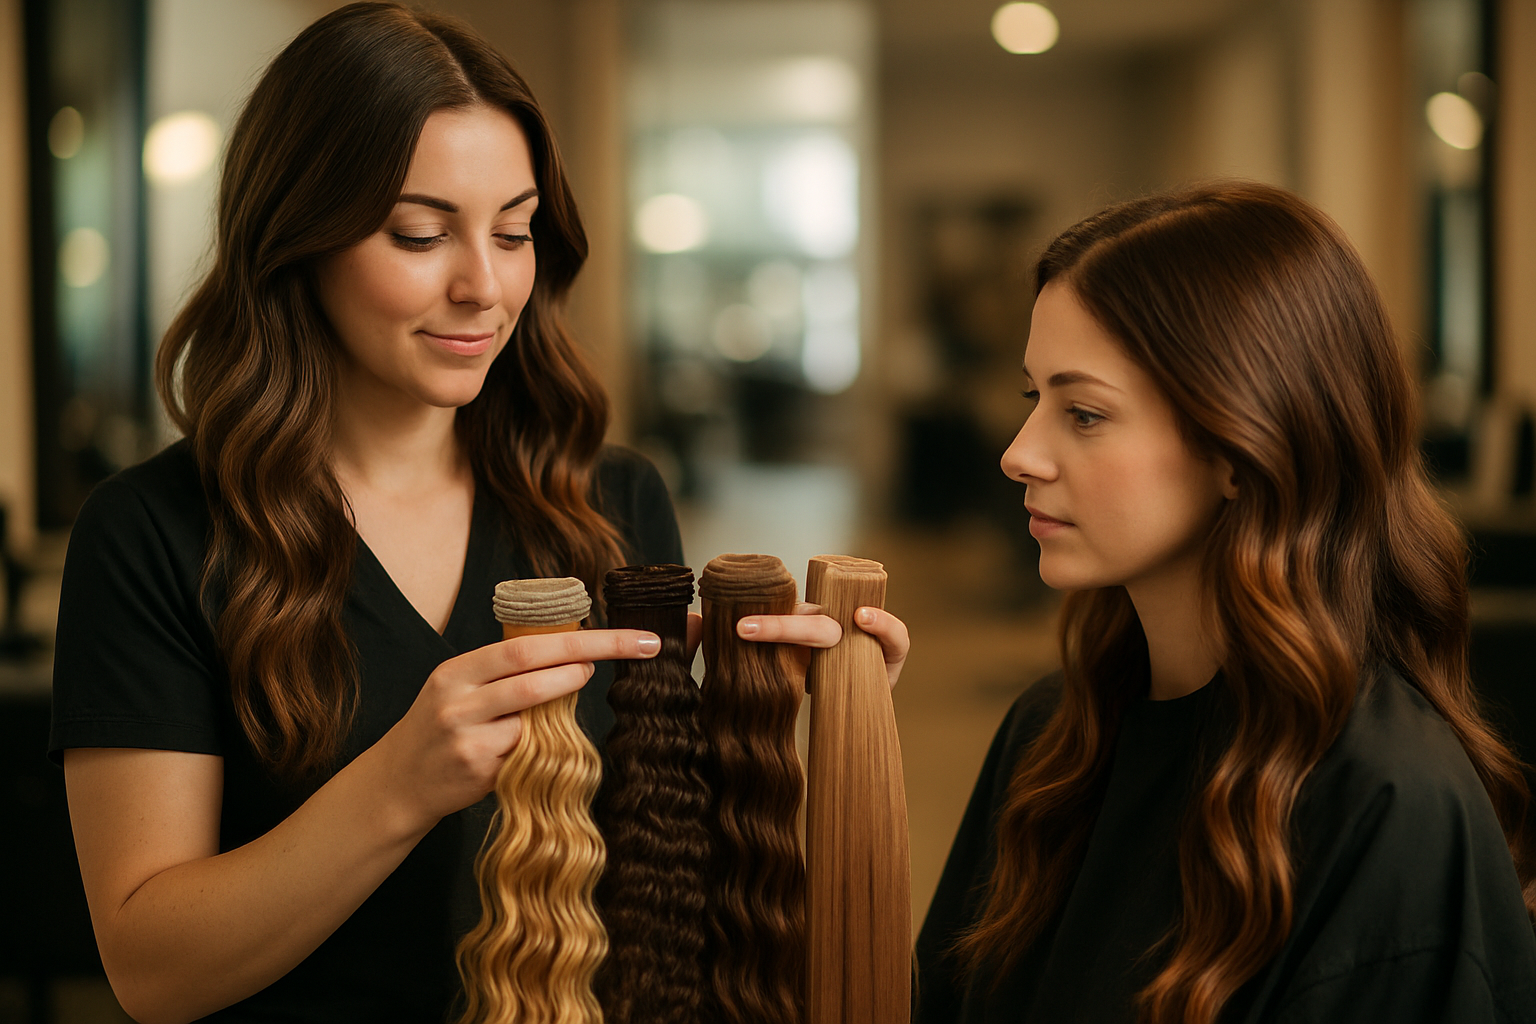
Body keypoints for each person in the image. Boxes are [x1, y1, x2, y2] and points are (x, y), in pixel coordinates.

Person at [48, 5, 908, 1022]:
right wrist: (402, 781)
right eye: (420, 234)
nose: (485, 285)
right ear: (297, 238)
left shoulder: (610, 500)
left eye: (514, 230)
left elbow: (654, 880)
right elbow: (152, 968)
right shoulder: (153, 533)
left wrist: (770, 713)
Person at [915, 182, 1536, 1024]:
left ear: (1243, 447)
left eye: (1085, 413)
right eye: (1035, 400)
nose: (1019, 455)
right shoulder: (1050, 737)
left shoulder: (1388, 805)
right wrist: (841, 738)